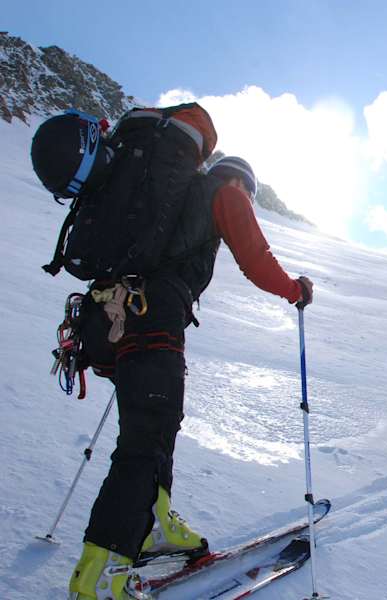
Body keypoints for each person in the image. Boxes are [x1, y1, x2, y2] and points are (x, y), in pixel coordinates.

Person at [69, 155, 314, 599]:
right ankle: (99, 579)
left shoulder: (163, 199)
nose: (249, 201)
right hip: (152, 318)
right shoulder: (223, 191)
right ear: (240, 181)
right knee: (143, 444)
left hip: (110, 322)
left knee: (155, 427)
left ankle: (154, 524)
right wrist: (295, 290)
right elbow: (256, 258)